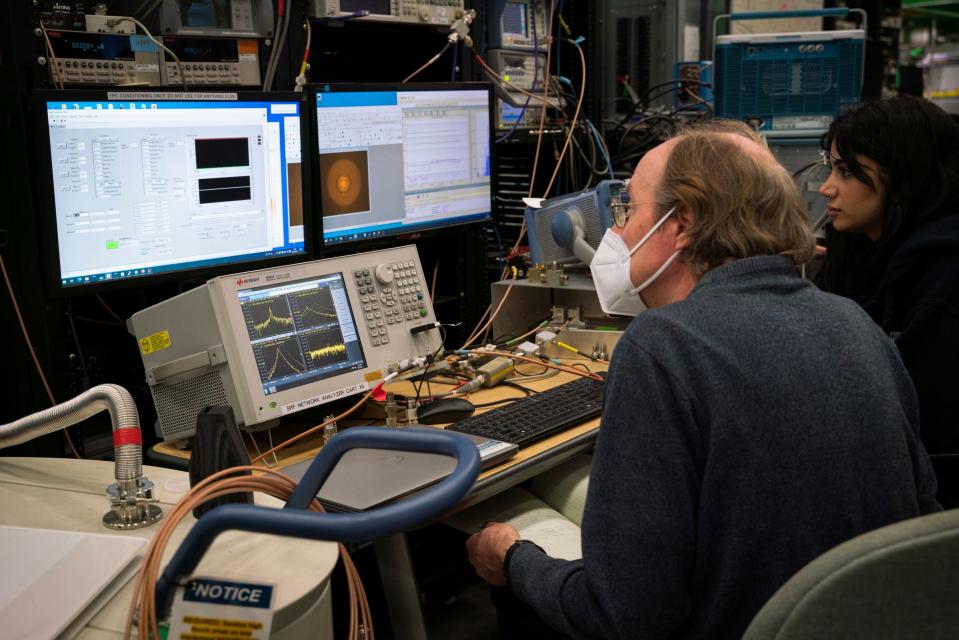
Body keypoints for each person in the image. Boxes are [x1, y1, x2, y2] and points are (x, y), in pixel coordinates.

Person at [466, 122, 940, 640]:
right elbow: (920, 517)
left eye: (627, 212)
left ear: (682, 221)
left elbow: (625, 618)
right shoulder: (855, 324)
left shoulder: (663, 346)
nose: (617, 234)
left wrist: (515, 559)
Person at [815, 96, 959, 476]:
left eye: (846, 172)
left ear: (904, 175)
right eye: (830, 169)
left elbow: (922, 420)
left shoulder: (943, 280)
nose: (826, 189)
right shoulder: (857, 249)